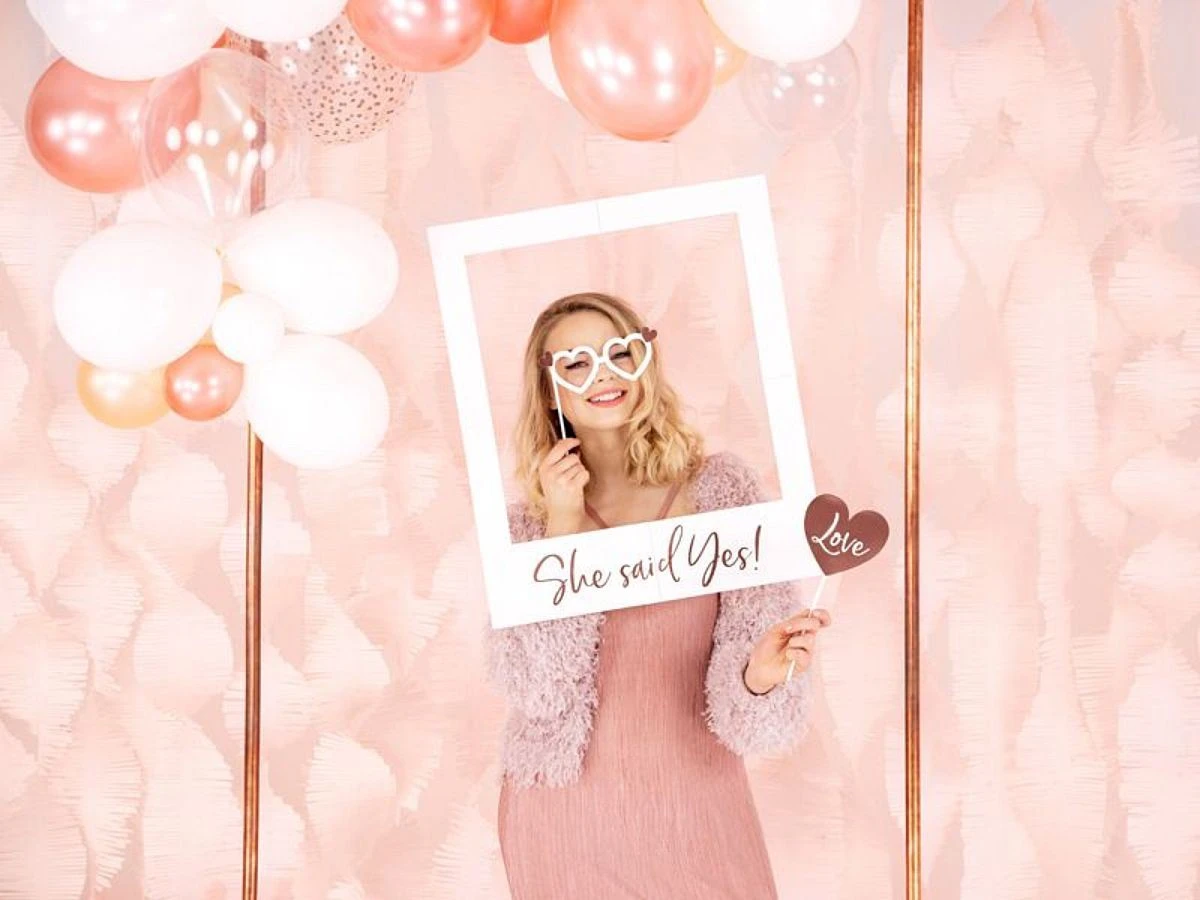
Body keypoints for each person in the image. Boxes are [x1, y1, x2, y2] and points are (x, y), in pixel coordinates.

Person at [488, 292, 832, 899]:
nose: (603, 375)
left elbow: (756, 701)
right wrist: (562, 531)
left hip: (698, 804)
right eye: (576, 363)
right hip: (567, 817)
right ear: (550, 391)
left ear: (644, 360)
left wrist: (760, 675)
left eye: (619, 352)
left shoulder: (722, 489)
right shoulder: (526, 530)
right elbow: (536, 688)